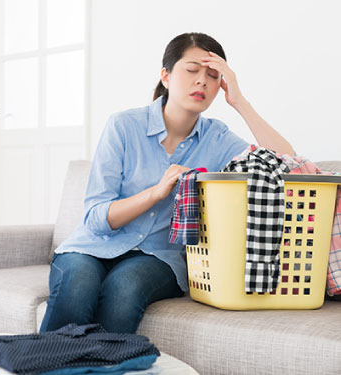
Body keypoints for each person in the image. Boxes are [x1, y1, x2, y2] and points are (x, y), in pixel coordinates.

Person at [39, 32, 294, 334]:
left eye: (213, 76)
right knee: (78, 285)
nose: (202, 81)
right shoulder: (123, 126)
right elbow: (96, 219)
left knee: (124, 289)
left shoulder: (218, 138)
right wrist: (154, 194)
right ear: (167, 76)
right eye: (191, 70)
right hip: (93, 246)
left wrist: (239, 101)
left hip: (159, 257)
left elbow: (287, 163)